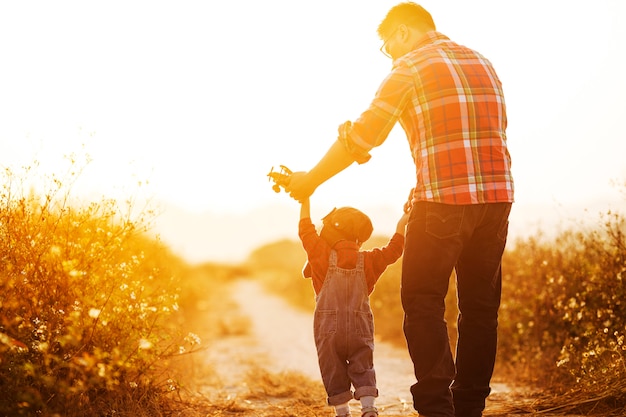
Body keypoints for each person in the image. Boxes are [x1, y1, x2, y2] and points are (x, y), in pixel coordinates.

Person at [285, 3, 514, 417]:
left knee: (424, 301)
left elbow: (362, 138)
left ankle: (435, 408)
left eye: (387, 44)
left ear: (404, 32)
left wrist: (310, 181)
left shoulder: (409, 67)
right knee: (480, 309)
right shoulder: (483, 63)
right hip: (497, 201)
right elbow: (483, 136)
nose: (389, 53)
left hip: (442, 201)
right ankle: (469, 408)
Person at [298, 197, 409, 417]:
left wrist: (305, 198)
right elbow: (394, 249)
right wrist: (403, 222)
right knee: (363, 362)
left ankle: (342, 412)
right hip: (360, 326)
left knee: (332, 366)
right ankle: (369, 408)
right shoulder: (369, 260)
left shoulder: (320, 255)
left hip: (328, 328)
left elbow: (305, 230)